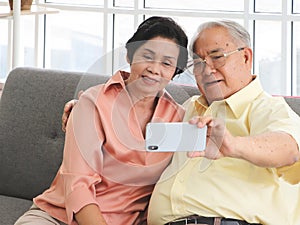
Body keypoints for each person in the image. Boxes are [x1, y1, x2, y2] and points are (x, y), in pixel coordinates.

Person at [14, 16, 188, 225]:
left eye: (167, 63)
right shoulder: (93, 103)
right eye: (147, 56)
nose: (154, 68)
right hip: (58, 217)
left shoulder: (179, 117)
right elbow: (78, 186)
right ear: (130, 54)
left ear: (175, 71)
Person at [147, 20, 300, 225]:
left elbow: (290, 149)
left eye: (217, 57)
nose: (207, 70)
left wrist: (233, 145)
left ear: (246, 57)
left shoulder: (267, 107)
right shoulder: (188, 107)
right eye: (198, 63)